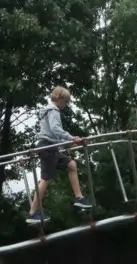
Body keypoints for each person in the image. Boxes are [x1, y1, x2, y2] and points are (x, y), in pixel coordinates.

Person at [26, 86, 92, 224]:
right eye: (66, 102)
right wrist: (71, 138)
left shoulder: (49, 110)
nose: (66, 105)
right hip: (47, 147)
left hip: (52, 147)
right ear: (60, 99)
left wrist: (69, 142)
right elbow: (56, 129)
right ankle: (32, 213)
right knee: (45, 179)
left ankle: (79, 198)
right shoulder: (54, 110)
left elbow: (52, 133)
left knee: (71, 164)